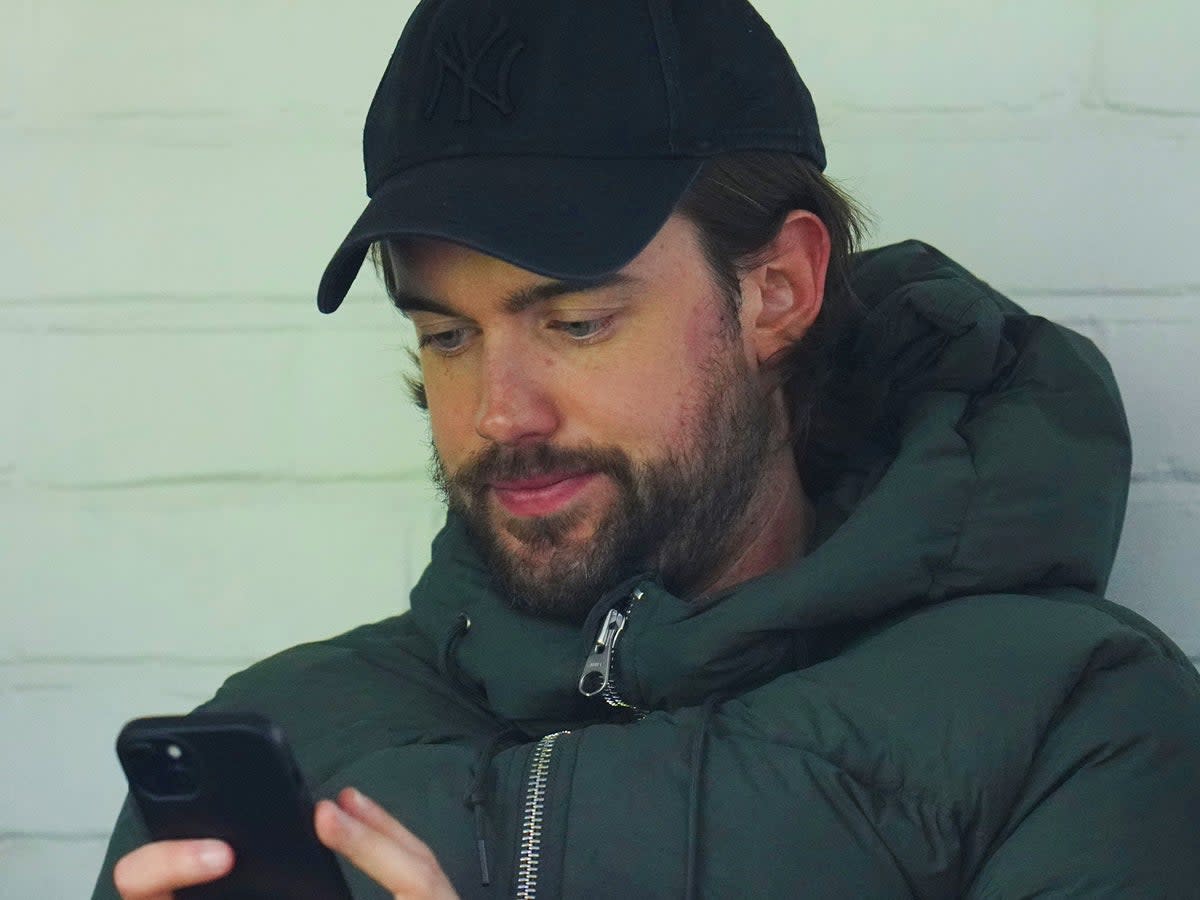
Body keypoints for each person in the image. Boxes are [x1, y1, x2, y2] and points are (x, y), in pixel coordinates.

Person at [94, 0, 1200, 897]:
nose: (499, 414)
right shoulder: (282, 736)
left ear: (779, 291)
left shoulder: (1073, 718)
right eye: (446, 335)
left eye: (576, 323)